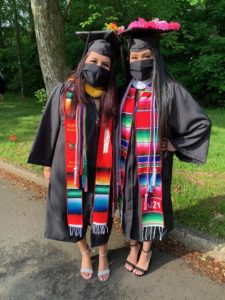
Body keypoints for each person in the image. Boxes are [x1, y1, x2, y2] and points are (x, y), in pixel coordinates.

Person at [117, 18, 211, 276]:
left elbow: (200, 123)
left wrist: (174, 144)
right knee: (130, 202)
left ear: (155, 57)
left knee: (149, 203)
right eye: (134, 57)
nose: (138, 62)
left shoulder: (170, 90)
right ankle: (133, 244)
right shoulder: (126, 91)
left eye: (145, 56)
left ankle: (146, 249)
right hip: (128, 162)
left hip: (153, 164)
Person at [28, 30, 122, 281]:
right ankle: (84, 252)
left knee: (101, 212)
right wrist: (47, 164)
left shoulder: (114, 97)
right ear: (83, 62)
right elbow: (50, 126)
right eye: (93, 61)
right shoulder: (64, 91)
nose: (98, 67)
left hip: (103, 170)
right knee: (71, 210)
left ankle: (102, 254)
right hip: (68, 168)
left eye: (105, 64)